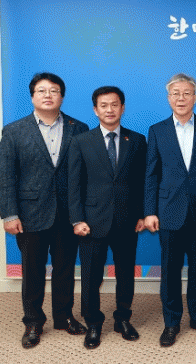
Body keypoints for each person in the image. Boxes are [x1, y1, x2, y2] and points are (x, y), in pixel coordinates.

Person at [0, 72, 89, 348]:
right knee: (33, 271)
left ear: (62, 96)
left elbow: (84, 175)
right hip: (29, 214)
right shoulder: (14, 130)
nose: (48, 95)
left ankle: (64, 317)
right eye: (41, 90)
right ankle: (33, 322)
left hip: (68, 214)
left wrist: (82, 214)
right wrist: (9, 214)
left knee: (65, 269)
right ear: (32, 96)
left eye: (54, 90)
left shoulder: (79, 128)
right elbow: (6, 176)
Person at [143, 73, 196, 347]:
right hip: (168, 211)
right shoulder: (157, 130)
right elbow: (151, 174)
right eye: (175, 93)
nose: (181, 98)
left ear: (195, 97)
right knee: (170, 271)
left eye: (186, 93)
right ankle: (171, 322)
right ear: (169, 98)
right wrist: (150, 211)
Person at [68, 86, 147, 349]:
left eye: (114, 104)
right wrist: (77, 219)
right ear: (95, 110)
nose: (109, 110)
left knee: (126, 274)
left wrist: (142, 214)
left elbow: (142, 182)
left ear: (122, 108)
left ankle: (122, 319)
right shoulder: (81, 141)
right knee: (91, 276)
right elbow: (74, 184)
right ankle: (93, 323)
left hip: (127, 219)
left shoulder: (137, 140)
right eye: (104, 105)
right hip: (91, 221)